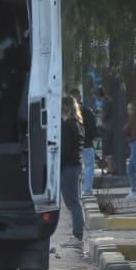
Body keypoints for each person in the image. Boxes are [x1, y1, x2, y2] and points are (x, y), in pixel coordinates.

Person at [60, 96, 86, 245]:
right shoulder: (78, 124)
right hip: (76, 164)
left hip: (69, 167)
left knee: (72, 202)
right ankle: (77, 234)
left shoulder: (67, 125)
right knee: (75, 201)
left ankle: (77, 236)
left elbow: (65, 149)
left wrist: (58, 165)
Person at [70, 87, 98, 195]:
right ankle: (87, 190)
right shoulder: (86, 110)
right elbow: (93, 128)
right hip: (86, 143)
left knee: (76, 168)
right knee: (89, 167)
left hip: (74, 146)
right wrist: (91, 137)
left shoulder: (69, 113)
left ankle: (77, 191)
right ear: (80, 97)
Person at [94, 86, 115, 173]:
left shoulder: (106, 102)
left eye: (95, 96)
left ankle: (109, 168)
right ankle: (108, 167)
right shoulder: (109, 100)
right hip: (111, 127)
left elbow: (104, 117)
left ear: (98, 95)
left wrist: (99, 115)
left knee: (107, 149)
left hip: (107, 128)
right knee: (108, 149)